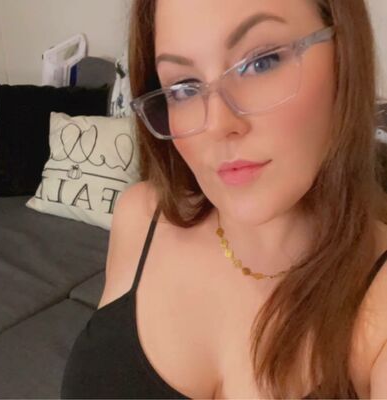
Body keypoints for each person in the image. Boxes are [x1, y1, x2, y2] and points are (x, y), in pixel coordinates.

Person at [60, 0, 387, 398]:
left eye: (262, 62)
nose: (217, 124)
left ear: (344, 54)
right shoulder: (140, 216)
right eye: (183, 87)